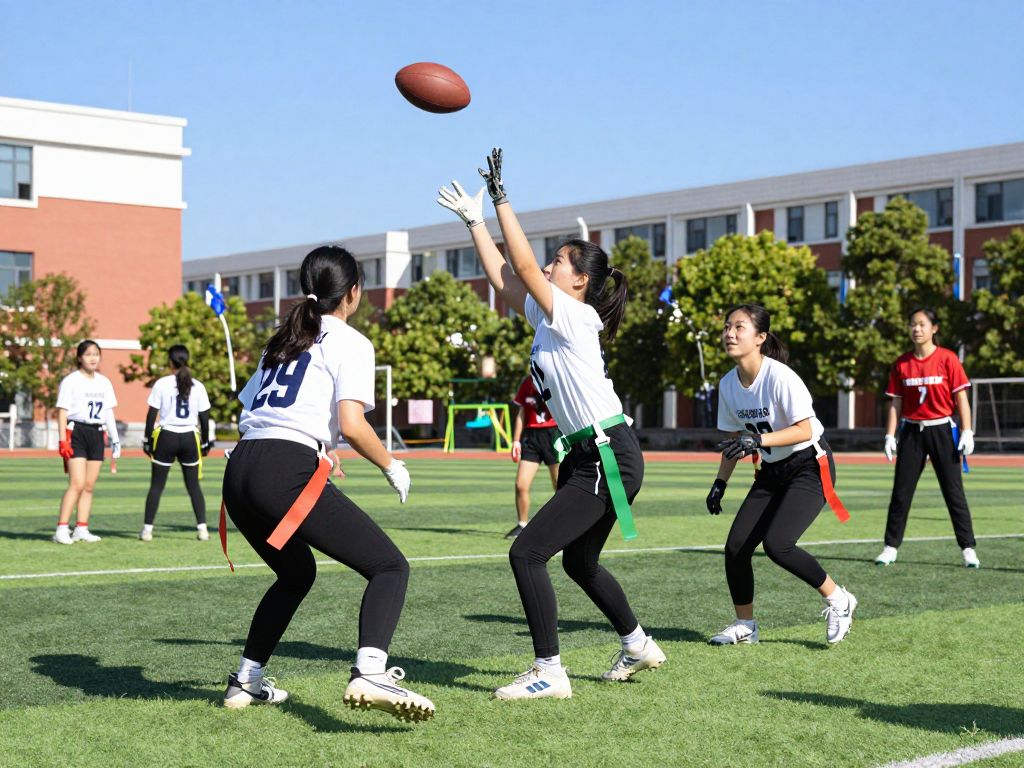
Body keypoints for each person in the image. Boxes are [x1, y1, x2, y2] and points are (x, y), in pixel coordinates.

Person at [437, 148, 666, 700]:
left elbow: (518, 266)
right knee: (581, 563)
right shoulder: (549, 314)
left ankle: (550, 671)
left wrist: (500, 200)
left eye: (559, 261)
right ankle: (637, 643)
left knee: (527, 552)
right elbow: (501, 276)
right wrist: (475, 223)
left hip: (607, 452)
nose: (547, 266)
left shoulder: (576, 315)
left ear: (581, 281)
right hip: (594, 453)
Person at [220, 245, 434, 721]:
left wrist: (316, 448)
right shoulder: (351, 342)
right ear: (354, 291)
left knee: (297, 574)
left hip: (240, 469)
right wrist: (390, 464)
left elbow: (251, 413)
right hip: (282, 468)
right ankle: (370, 671)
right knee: (389, 567)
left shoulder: (282, 339)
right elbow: (354, 425)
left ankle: (246, 681)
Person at [706, 304, 856, 647]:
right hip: (773, 470)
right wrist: (720, 483)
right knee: (736, 547)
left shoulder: (780, 376)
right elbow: (733, 441)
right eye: (727, 326)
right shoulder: (728, 384)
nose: (729, 333)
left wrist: (758, 440)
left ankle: (839, 599)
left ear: (760, 338)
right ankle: (746, 626)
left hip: (809, 465)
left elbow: (804, 430)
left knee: (778, 544)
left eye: (739, 327)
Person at [876, 307, 979, 568]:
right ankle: (890, 547)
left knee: (953, 491)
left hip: (942, 430)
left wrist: (967, 431)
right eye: (912, 324)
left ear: (934, 328)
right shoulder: (901, 363)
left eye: (922, 324)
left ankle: (968, 549)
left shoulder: (948, 359)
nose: (916, 329)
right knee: (901, 492)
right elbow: (895, 403)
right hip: (912, 431)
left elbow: (961, 399)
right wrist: (890, 435)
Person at [140, 345, 214, 542]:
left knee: (156, 486)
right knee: (194, 487)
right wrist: (206, 443)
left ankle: (147, 530)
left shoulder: (162, 383)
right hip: (190, 437)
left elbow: (151, 415)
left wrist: (147, 440)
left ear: (170, 362)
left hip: (167, 437)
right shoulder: (197, 385)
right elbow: (204, 419)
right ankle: (202, 529)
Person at [53, 340, 120, 544]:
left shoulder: (104, 382)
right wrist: (62, 440)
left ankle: (81, 527)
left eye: (96, 354)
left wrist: (115, 439)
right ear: (80, 357)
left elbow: (108, 411)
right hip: (77, 431)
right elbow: (62, 411)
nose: (93, 358)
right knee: (77, 483)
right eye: (88, 354)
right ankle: (62, 529)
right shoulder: (71, 381)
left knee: (89, 485)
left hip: (97, 433)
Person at [507, 374, 559, 539]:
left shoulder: (555, 378)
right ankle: (522, 525)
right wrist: (516, 441)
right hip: (531, 437)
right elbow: (522, 412)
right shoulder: (527, 382)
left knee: (561, 487)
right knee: (521, 485)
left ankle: (562, 528)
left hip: (553, 434)